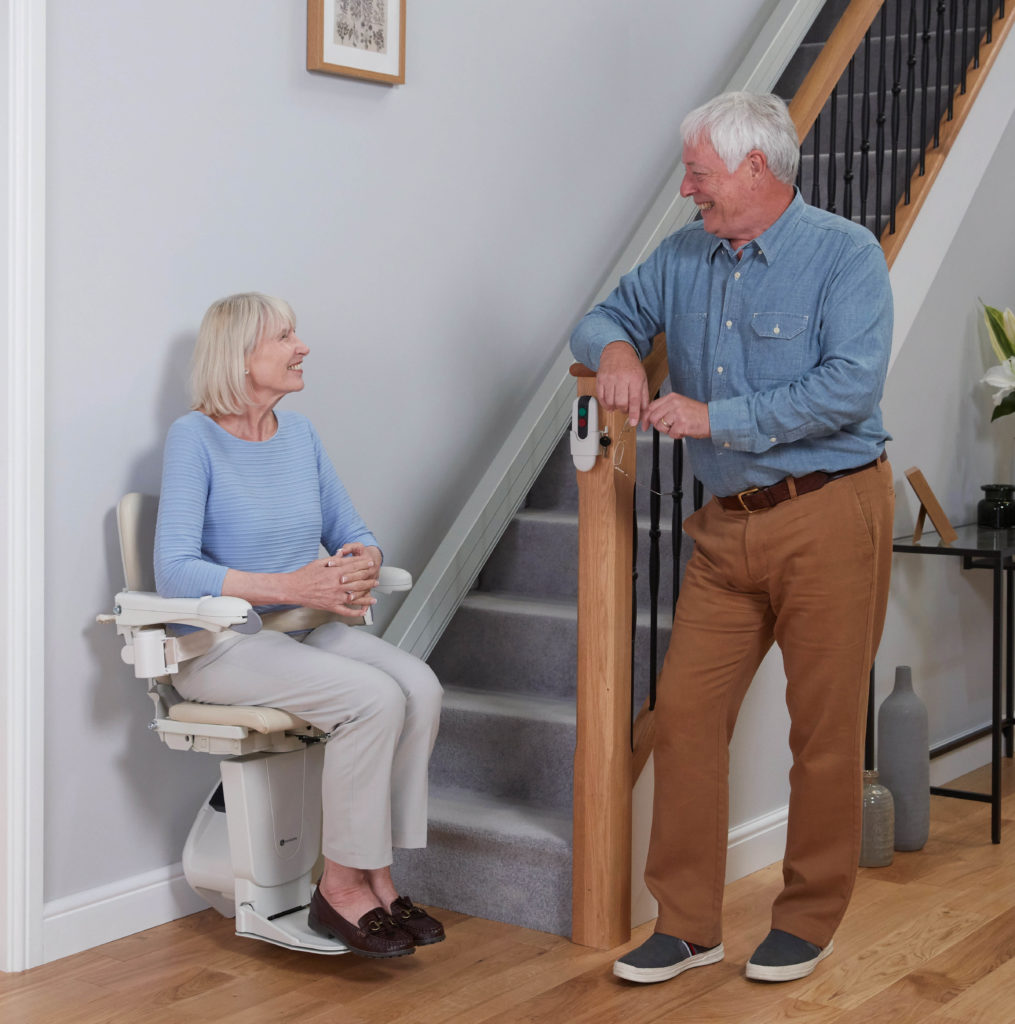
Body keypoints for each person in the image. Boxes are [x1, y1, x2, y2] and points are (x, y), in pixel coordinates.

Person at [570, 92, 894, 985]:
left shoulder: (844, 255)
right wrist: (620, 354)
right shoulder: (684, 256)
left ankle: (808, 916)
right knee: (682, 719)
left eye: (699, 173)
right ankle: (686, 923)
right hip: (723, 532)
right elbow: (600, 317)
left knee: (821, 731)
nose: (686, 190)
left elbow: (849, 389)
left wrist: (719, 417)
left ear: (756, 168)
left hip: (830, 513)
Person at [154, 292, 444, 959]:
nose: (302, 346)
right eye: (285, 336)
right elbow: (173, 571)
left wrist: (363, 559)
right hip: (223, 646)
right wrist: (286, 585)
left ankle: (376, 872)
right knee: (371, 699)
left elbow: (352, 530)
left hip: (306, 630)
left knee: (420, 687)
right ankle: (340, 886)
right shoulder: (193, 438)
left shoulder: (301, 435)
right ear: (240, 355)